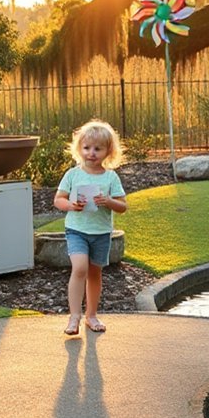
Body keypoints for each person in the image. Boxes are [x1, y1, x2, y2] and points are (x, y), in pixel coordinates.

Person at [53, 119, 128, 335]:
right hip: (76, 230)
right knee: (79, 268)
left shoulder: (111, 177)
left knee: (95, 273)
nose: (91, 153)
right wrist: (71, 205)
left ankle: (91, 315)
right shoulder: (73, 174)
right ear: (79, 149)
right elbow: (58, 199)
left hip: (101, 233)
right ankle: (74, 316)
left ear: (108, 151)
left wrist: (109, 201)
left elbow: (123, 206)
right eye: (87, 148)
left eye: (97, 149)